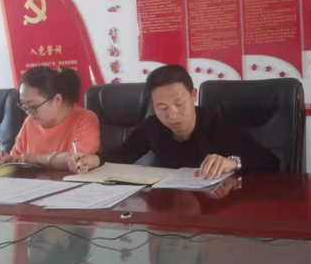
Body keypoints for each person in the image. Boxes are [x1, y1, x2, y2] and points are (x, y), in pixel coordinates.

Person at [71, 65, 279, 179]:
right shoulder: (152, 127)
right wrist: (95, 160)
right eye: (162, 107)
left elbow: (270, 161)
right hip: (173, 206)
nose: (172, 114)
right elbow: (124, 154)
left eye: (179, 104)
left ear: (193, 95)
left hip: (216, 206)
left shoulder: (216, 122)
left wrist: (232, 162)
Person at [0, 66, 100, 171]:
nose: (28, 112)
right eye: (24, 106)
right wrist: (4, 161)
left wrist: (33, 159)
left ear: (57, 100)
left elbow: (77, 159)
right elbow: (16, 159)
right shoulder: (30, 121)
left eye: (33, 106)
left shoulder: (84, 119)